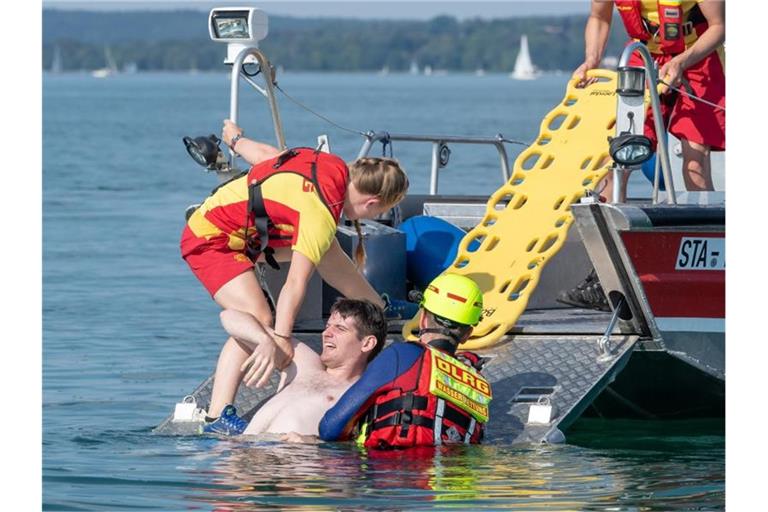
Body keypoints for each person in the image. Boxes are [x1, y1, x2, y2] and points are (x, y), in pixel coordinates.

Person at [181, 119, 409, 434]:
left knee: (329, 254)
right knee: (258, 316)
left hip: (248, 232)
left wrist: (235, 140)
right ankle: (217, 416)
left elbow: (266, 155)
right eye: (377, 213)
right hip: (211, 240)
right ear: (372, 203)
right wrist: (281, 337)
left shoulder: (329, 165)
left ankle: (378, 305)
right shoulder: (319, 214)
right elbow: (294, 284)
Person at [319, 274, 492, 449]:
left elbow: (330, 428)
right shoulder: (477, 382)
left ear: (423, 318)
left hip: (396, 469)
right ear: (467, 334)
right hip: (452, 471)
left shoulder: (402, 355)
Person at [574, 0, 725, 195]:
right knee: (617, 157)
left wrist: (681, 62)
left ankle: (704, 223)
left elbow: (719, 27)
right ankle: (609, 219)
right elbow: (599, 17)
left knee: (695, 164)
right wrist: (591, 60)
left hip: (696, 57)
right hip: (643, 56)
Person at [210, 298, 387, 438]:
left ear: (367, 343)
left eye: (339, 328)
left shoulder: (362, 395)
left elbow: (362, 445)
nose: (326, 334)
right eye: (327, 327)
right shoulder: (306, 363)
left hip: (291, 469)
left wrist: (311, 441)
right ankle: (215, 417)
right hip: (242, 450)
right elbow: (229, 316)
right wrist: (264, 340)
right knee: (242, 338)